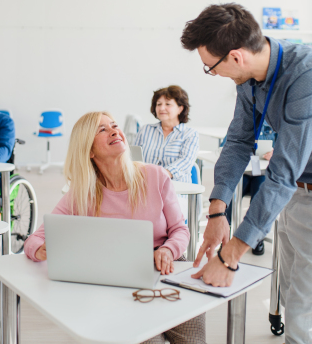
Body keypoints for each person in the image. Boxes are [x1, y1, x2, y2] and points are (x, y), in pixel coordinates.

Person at [181, 3, 312, 344]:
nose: (212, 73)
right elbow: (238, 141)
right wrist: (218, 209)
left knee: (302, 313)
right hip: (295, 194)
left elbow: (282, 173)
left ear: (235, 57)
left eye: (210, 68)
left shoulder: (309, 75)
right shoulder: (250, 77)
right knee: (290, 291)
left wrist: (231, 254)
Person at [24, 111, 206, 344]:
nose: (114, 131)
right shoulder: (81, 194)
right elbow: (35, 239)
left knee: (192, 340)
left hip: (168, 267)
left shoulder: (156, 176)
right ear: (89, 150)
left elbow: (180, 230)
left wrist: (168, 250)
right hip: (117, 278)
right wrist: (39, 250)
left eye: (114, 125)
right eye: (102, 129)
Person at [134, 85, 199, 220]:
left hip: (176, 193)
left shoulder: (190, 134)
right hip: (145, 190)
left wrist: (159, 175)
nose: (162, 108)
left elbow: (185, 162)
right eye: (158, 104)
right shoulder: (145, 130)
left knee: (160, 218)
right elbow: (134, 158)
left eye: (168, 104)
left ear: (180, 108)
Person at [223, 119, 275, 256]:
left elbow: (285, 148)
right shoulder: (241, 123)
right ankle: (225, 234)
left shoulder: (275, 126)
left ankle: (255, 237)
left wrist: (274, 153)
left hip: (262, 173)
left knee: (259, 196)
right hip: (243, 174)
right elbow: (225, 147)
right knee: (229, 196)